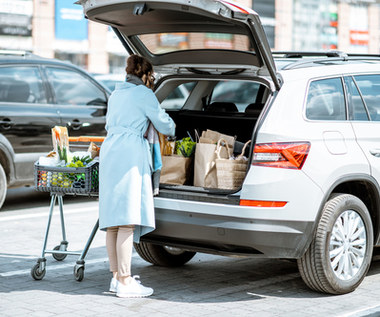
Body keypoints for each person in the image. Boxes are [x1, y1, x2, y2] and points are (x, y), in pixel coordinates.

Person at [99, 54, 175, 298]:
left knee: (113, 220)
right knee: (127, 220)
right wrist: (174, 126)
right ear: (145, 74)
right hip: (129, 153)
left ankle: (115, 278)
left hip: (110, 150)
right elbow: (164, 124)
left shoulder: (116, 93)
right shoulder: (143, 94)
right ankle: (125, 280)